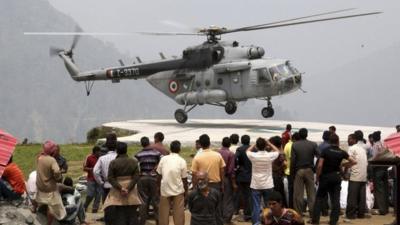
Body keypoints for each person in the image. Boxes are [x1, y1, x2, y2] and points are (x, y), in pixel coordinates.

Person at [311, 134, 356, 225]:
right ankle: (333, 221)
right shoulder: (341, 152)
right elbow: (354, 161)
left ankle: (315, 220)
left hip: (325, 177)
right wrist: (344, 165)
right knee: (336, 199)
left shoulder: (325, 151)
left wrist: (317, 177)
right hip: (336, 177)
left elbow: (320, 165)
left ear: (330, 141)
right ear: (338, 141)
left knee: (319, 198)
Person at [104, 142, 141, 225]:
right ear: (126, 150)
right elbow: (136, 177)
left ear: (117, 151)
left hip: (117, 190)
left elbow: (110, 178)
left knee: (120, 212)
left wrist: (121, 188)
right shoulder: (133, 161)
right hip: (131, 189)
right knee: (132, 212)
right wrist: (128, 188)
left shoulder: (113, 163)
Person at [246, 137, 280, 225]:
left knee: (256, 206)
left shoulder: (253, 156)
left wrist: (254, 144)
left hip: (256, 184)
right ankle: (268, 222)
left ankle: (256, 223)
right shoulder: (269, 155)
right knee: (268, 206)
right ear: (265, 146)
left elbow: (247, 151)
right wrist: (269, 143)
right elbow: (277, 151)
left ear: (257, 146)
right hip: (268, 184)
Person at [157, 140, 188, 225]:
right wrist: (186, 192)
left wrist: (158, 188)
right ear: (179, 149)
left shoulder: (163, 159)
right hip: (178, 190)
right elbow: (184, 179)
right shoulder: (182, 161)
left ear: (170, 149)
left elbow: (159, 175)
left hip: (165, 189)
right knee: (179, 216)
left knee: (163, 215)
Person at [35, 140, 66, 225]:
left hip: (40, 185)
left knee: (37, 197)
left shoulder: (39, 158)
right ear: (52, 151)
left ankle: (34, 209)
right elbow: (56, 171)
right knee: (51, 207)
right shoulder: (52, 160)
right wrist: (58, 178)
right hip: (49, 188)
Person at [290, 128, 318, 217]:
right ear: (307, 134)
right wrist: (315, 168)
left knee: (298, 194)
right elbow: (320, 156)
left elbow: (293, 161)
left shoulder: (295, 145)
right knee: (311, 194)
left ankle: (298, 215)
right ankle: (313, 215)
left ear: (299, 135)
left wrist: (292, 173)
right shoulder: (313, 144)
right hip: (310, 170)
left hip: (299, 171)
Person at [135, 136, 162, 225]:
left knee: (143, 201)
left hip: (142, 178)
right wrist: (155, 168)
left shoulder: (138, 154)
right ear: (149, 143)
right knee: (156, 201)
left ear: (141, 144)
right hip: (154, 178)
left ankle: (142, 221)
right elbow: (162, 162)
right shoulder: (156, 153)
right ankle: (158, 221)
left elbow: (135, 166)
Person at [346, 133, 368, 219]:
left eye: (350, 139)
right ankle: (361, 214)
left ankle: (350, 215)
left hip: (355, 175)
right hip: (363, 176)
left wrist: (343, 168)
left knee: (352, 197)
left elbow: (350, 161)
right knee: (361, 197)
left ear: (354, 140)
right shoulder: (362, 149)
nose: (348, 140)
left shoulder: (352, 148)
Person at [218, 137, 237, 223]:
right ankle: (226, 218)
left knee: (219, 198)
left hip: (217, 178)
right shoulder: (231, 154)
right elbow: (231, 170)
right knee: (228, 199)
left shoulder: (217, 152)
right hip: (226, 178)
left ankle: (219, 216)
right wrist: (233, 183)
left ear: (222, 143)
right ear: (230, 144)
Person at [370, 131, 389, 215]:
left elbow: (375, 158)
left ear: (373, 138)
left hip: (378, 169)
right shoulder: (383, 145)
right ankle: (386, 208)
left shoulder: (375, 146)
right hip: (385, 168)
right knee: (385, 189)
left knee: (379, 190)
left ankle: (382, 210)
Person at [94, 137, 117, 203]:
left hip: (106, 185)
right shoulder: (119, 157)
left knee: (106, 205)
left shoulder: (102, 158)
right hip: (118, 186)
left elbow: (95, 172)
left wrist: (101, 182)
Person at [235, 134, 252, 222]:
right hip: (251, 175)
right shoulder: (253, 149)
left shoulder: (240, 149)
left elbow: (235, 159)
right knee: (249, 196)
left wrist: (237, 167)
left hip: (241, 175)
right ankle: (248, 214)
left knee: (239, 194)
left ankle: (237, 211)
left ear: (241, 141)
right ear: (249, 141)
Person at [269, 136, 287, 207]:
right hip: (278, 175)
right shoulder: (280, 153)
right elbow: (285, 164)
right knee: (280, 192)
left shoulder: (277, 153)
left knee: (277, 193)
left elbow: (285, 164)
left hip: (275, 175)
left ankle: (279, 207)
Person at [83, 145, 102, 213]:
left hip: (99, 179)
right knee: (90, 194)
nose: (100, 153)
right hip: (91, 179)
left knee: (98, 195)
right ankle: (85, 206)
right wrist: (92, 169)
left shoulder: (101, 158)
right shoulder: (89, 157)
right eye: (99, 152)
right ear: (95, 152)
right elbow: (84, 168)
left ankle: (95, 210)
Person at [284, 132, 299, 209]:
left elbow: (285, 158)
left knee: (290, 190)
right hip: (294, 171)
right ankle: (295, 207)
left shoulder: (286, 145)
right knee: (296, 191)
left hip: (288, 171)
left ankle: (290, 206)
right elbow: (293, 159)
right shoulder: (294, 146)